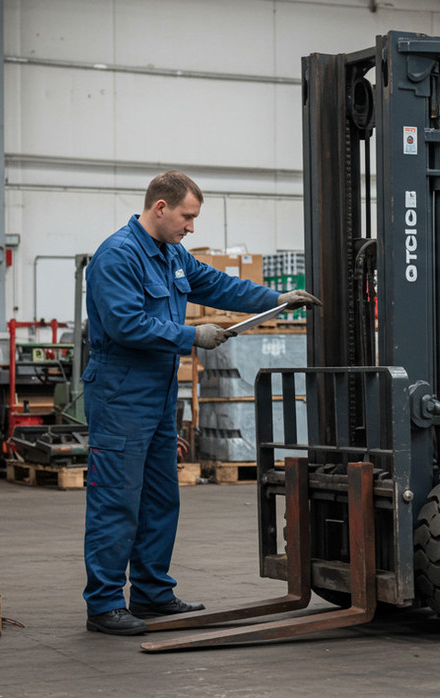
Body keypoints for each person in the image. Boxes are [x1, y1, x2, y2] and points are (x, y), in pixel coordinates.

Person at [82, 170, 319, 635]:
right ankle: (104, 604)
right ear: (160, 207)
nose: (191, 227)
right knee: (116, 499)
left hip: (158, 393)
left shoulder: (173, 254)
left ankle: (151, 593)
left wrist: (275, 298)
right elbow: (125, 325)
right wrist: (191, 335)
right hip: (120, 393)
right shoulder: (118, 256)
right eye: (187, 217)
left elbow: (219, 286)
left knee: (160, 498)